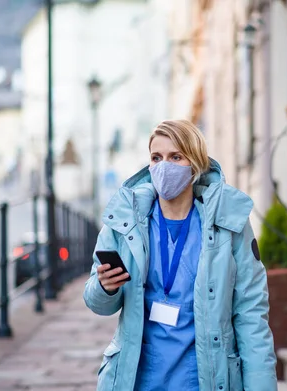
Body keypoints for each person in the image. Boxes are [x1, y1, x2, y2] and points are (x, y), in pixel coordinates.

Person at [83, 119, 277, 391]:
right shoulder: (124, 223)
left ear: (195, 164)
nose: (164, 166)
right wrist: (105, 288)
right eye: (156, 157)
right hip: (139, 380)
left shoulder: (228, 223)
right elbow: (98, 304)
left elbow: (251, 314)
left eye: (176, 157)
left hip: (205, 379)